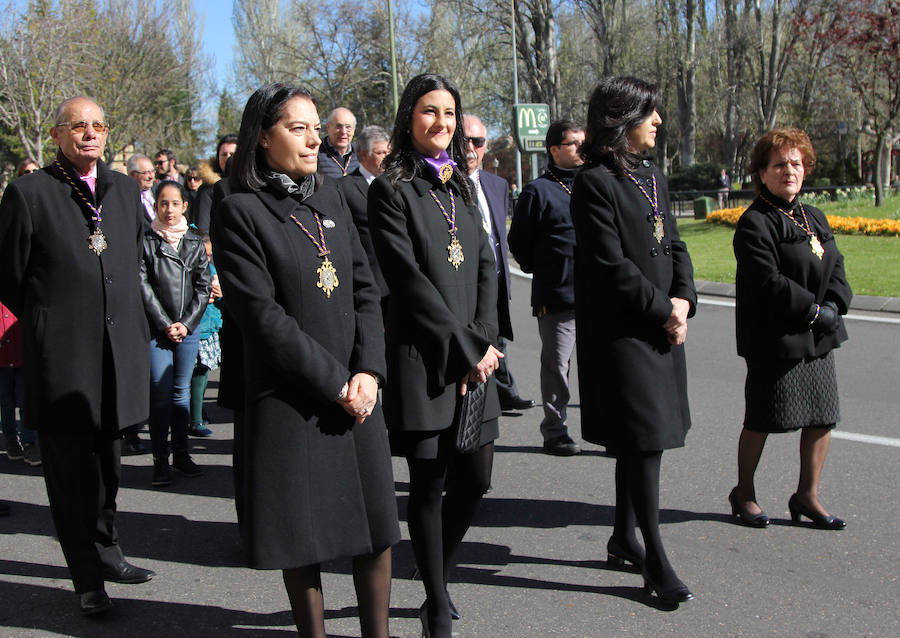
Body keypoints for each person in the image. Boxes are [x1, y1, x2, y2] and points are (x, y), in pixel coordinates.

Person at [211, 83, 399, 638]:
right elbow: (262, 318)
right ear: (263, 136)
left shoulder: (334, 195)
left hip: (357, 395)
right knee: (303, 537)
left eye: (317, 126)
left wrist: (368, 372)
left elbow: (367, 288)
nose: (314, 138)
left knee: (375, 529)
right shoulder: (238, 209)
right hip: (292, 399)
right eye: (298, 128)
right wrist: (336, 383)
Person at [0, 96, 155, 615]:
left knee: (109, 465)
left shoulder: (124, 189)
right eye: (77, 126)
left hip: (117, 353)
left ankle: (107, 550)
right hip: (63, 357)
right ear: (57, 134)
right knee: (69, 472)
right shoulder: (28, 193)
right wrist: (52, 318)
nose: (89, 134)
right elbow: (10, 277)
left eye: (97, 126)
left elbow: (131, 256)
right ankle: (86, 578)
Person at [369, 73, 502, 638]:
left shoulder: (462, 184)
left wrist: (487, 339)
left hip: (478, 361)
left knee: (475, 479)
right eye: (430, 112)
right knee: (429, 482)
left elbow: (487, 268)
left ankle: (435, 568)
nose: (441, 124)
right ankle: (435, 600)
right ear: (409, 117)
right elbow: (407, 280)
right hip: (425, 359)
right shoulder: (390, 188)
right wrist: (468, 346)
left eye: (450, 114)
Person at [571, 76, 697, 604]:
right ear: (622, 120)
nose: (659, 122)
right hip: (624, 336)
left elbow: (674, 243)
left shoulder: (652, 175)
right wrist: (662, 310)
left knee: (645, 442)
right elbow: (609, 267)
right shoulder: (593, 182)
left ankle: (624, 536)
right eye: (650, 113)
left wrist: (685, 298)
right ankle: (655, 560)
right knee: (642, 441)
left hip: (662, 329)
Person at [729, 127, 851, 531]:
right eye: (779, 164)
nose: (789, 171)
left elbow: (836, 266)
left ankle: (806, 496)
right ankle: (744, 492)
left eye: (796, 163)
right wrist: (815, 312)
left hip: (817, 337)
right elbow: (769, 284)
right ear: (762, 173)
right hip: (775, 338)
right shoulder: (755, 223)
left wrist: (835, 304)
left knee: (822, 417)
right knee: (764, 418)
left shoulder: (812, 215)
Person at [508, 120, 585, 456]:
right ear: (554, 149)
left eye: (585, 142)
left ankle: (607, 428)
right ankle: (555, 430)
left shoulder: (594, 184)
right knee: (558, 367)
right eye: (574, 143)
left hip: (599, 294)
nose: (582, 149)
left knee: (601, 366)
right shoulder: (537, 190)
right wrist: (546, 268)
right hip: (557, 295)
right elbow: (519, 243)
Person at [140, 180, 211, 487]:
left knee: (181, 394)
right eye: (163, 203)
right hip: (158, 331)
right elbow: (141, 284)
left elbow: (203, 286)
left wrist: (186, 323)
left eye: (175, 203)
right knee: (160, 394)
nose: (169, 210)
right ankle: (160, 461)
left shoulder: (195, 242)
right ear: (155, 207)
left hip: (187, 329)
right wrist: (165, 322)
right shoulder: (145, 241)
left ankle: (182, 454)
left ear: (185, 206)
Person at [463, 114, 533, 411]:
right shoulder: (443, 186)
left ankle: (504, 392)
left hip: (495, 277)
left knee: (499, 337)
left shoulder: (496, 184)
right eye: (463, 140)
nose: (470, 148)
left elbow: (498, 234)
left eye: (477, 142)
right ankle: (490, 396)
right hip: (464, 281)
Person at [337, 125, 391, 314]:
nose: (387, 157)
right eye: (381, 152)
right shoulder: (344, 188)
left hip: (399, 281)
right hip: (370, 284)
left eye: (388, 151)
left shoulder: (397, 185)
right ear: (364, 154)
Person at [187, 233, 223, 438]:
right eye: (204, 254)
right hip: (193, 328)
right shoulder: (189, 269)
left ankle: (197, 412)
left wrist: (220, 294)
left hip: (208, 327)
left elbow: (221, 298)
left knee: (202, 372)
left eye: (210, 254)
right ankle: (194, 417)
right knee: (190, 376)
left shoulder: (213, 270)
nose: (207, 258)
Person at [1, 301, 40, 466]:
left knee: (26, 400)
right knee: (6, 401)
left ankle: (29, 442)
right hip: (2, 359)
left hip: (23, 355)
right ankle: (10, 438)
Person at [194, 133, 238, 233]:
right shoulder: (208, 189)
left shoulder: (253, 186)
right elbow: (202, 228)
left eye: (232, 154)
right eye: (224, 154)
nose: (228, 158)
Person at [318, 107, 359, 178]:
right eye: (339, 126)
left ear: (354, 130)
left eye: (348, 127)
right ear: (328, 127)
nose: (343, 132)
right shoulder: (316, 153)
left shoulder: (361, 154)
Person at [127, 153, 156, 220]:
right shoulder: (127, 198)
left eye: (152, 171)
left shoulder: (159, 190)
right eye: (146, 172)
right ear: (132, 175)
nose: (151, 176)